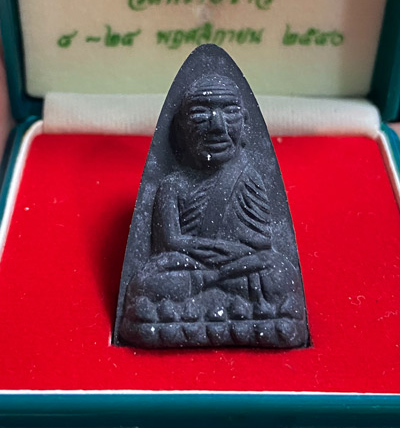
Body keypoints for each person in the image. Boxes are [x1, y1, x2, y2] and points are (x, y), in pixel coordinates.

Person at [121, 74, 306, 346]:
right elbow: (170, 242)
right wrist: (212, 255)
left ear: (245, 123)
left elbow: (260, 243)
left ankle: (183, 316)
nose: (217, 126)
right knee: (149, 282)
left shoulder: (248, 177)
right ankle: (254, 315)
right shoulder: (173, 184)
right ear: (182, 128)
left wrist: (227, 260)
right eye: (200, 113)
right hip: (189, 266)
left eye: (230, 112)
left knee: (279, 273)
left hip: (237, 267)